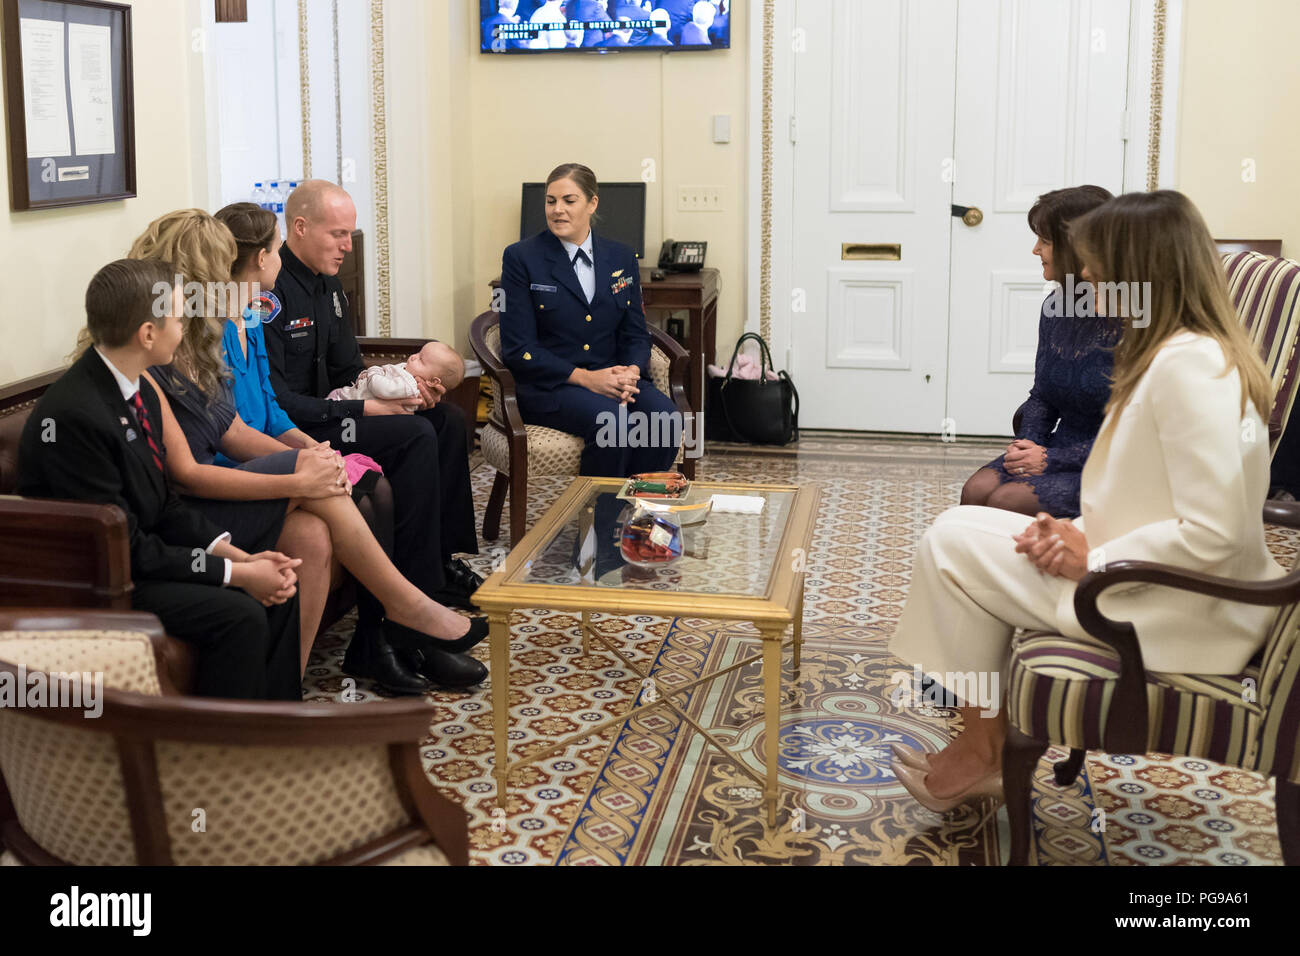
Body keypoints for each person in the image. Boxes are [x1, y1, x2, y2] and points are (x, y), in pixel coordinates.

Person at [888, 190, 1285, 812]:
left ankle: (979, 752)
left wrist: (1092, 557)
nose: (1090, 279)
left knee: (949, 547)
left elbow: (1218, 534)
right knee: (960, 524)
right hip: (1145, 579)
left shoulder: (1192, 369)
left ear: (1140, 273)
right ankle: (980, 747)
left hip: (1175, 607)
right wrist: (1079, 535)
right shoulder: (1178, 350)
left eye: (1100, 267)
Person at [130, 209, 486, 693]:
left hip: (264, 451)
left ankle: (335, 662)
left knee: (414, 443)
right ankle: (406, 612)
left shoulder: (228, 328)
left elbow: (250, 419)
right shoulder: (170, 355)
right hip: (208, 496)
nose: (345, 245)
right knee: (392, 451)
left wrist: (317, 452)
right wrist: (307, 467)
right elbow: (192, 470)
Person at [19, 259, 303, 700]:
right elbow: (125, 548)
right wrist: (234, 574)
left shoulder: (137, 388)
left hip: (142, 557)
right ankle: (220, 752)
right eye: (175, 316)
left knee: (277, 584)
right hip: (102, 580)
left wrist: (240, 558)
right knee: (240, 611)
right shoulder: (75, 416)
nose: (183, 325)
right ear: (147, 334)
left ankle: (278, 729)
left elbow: (166, 506)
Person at [260, 180, 482, 615]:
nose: (348, 245)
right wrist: (364, 407)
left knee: (447, 420)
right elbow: (279, 400)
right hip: (304, 425)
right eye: (337, 234)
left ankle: (441, 559)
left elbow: (349, 372)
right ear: (300, 227)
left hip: (338, 410)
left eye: (350, 233)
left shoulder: (330, 286)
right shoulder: (270, 293)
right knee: (414, 435)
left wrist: (408, 388)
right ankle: (418, 587)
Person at [499, 162, 679, 477]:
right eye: (550, 201)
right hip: (553, 386)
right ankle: (599, 521)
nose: (557, 210)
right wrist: (587, 379)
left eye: (569, 200)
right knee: (613, 421)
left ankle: (638, 509)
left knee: (664, 417)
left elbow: (636, 334)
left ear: (592, 203)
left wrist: (632, 372)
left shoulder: (622, 257)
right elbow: (519, 348)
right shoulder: (521, 258)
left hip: (612, 378)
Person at [960, 185, 1119, 517]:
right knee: (977, 490)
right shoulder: (1057, 305)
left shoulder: (1135, 316)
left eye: (1045, 241)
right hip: (1055, 447)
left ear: (1080, 248)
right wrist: (1028, 445)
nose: (1035, 250)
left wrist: (1050, 459)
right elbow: (1042, 396)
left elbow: (1138, 434)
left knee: (1007, 500)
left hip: (1115, 461)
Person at [327, 341, 464, 405]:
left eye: (421, 360)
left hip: (352, 402)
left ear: (433, 381)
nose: (413, 357)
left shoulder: (408, 385)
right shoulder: (406, 370)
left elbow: (380, 388)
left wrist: (372, 372)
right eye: (418, 353)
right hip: (353, 394)